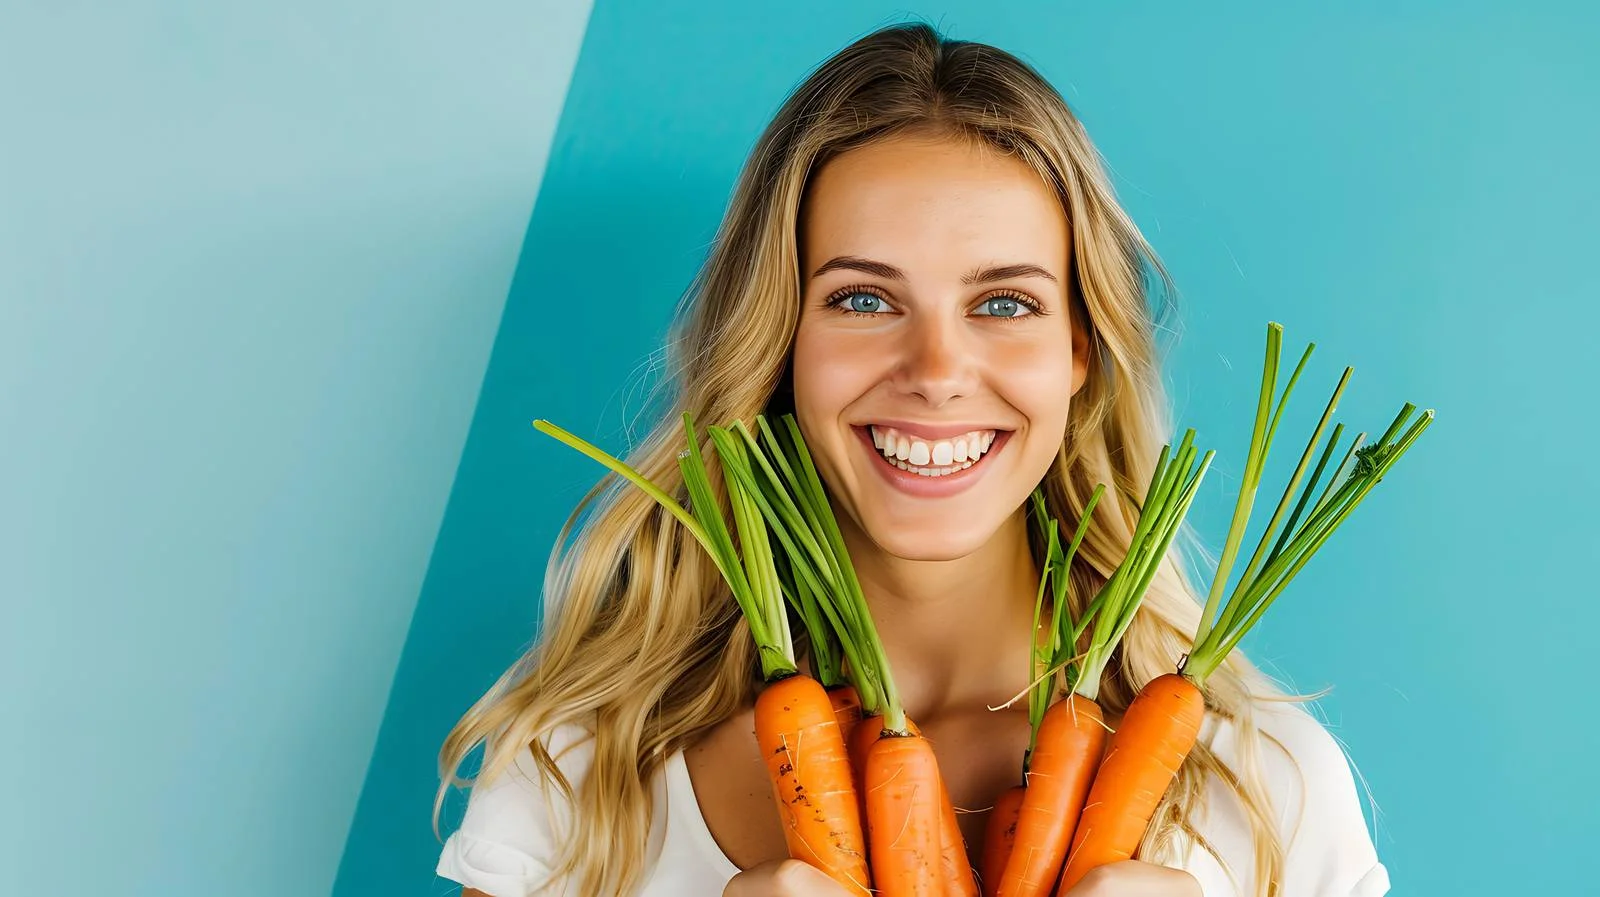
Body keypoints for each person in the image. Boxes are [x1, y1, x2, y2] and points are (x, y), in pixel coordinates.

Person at [432, 21, 1390, 897]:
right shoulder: (580, 782)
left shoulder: (1271, 793)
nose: (936, 372)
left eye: (1004, 303)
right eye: (861, 300)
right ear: (780, 346)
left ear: (1079, 353)